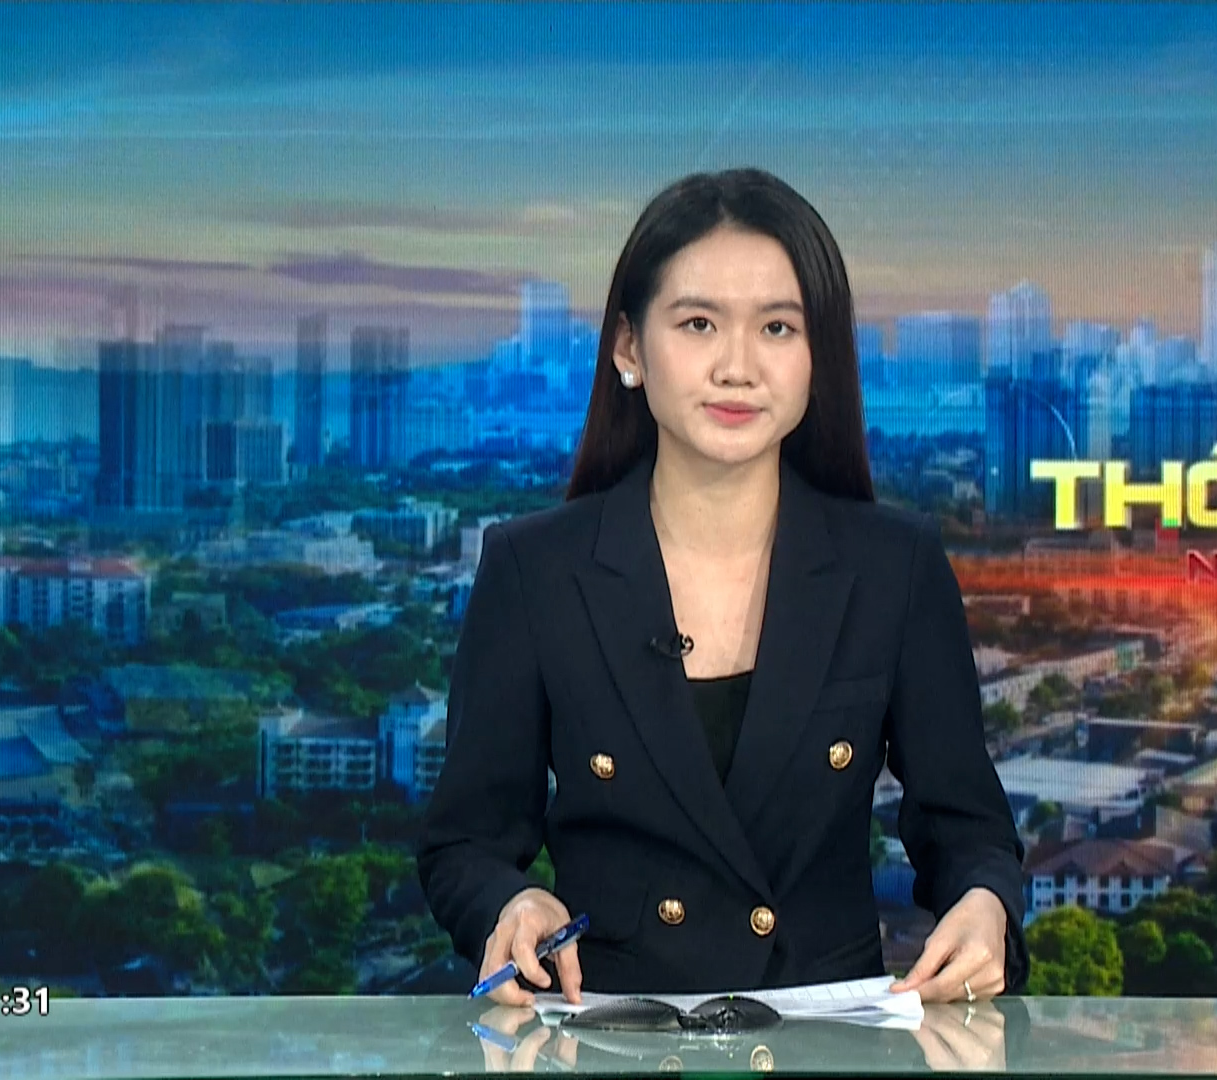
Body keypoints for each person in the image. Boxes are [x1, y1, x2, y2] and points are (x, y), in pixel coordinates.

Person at [416, 168, 1028, 1008]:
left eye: (778, 327)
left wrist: (986, 905)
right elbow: (465, 844)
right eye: (698, 323)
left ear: (818, 357)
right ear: (630, 349)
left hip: (825, 1039)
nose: (738, 367)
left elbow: (969, 831)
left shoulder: (897, 566)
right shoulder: (534, 569)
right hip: (611, 1035)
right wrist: (511, 903)